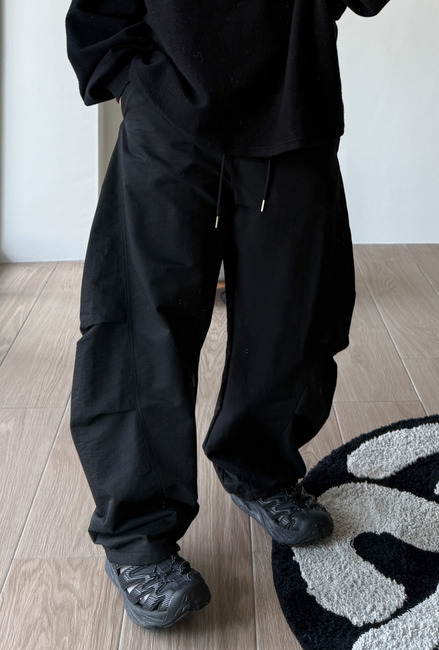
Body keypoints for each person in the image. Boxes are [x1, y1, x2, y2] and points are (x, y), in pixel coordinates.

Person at [65, 0, 390, 631]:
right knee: (142, 326)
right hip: (167, 95)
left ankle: (259, 467)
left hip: (294, 99)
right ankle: (138, 534)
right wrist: (130, 79)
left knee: (292, 314)